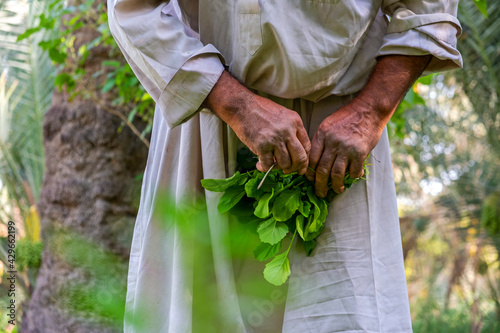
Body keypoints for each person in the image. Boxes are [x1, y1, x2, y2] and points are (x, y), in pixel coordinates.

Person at [108, 0, 462, 332]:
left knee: (344, 314)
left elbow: (429, 9)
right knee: (204, 310)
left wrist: (370, 114)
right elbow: (134, 9)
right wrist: (237, 107)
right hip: (211, 114)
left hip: (343, 138)